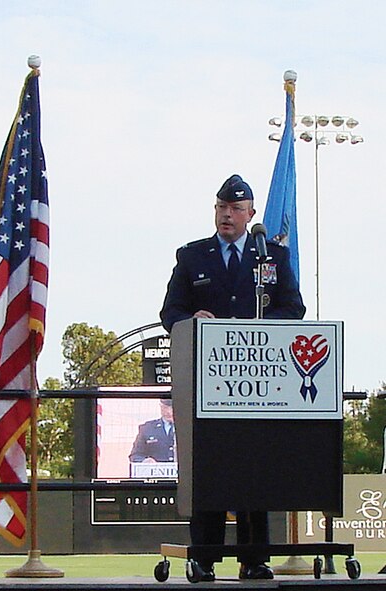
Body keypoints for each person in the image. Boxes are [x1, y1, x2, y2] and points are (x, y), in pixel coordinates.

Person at [160, 174, 306, 581]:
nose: (227, 214)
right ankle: (203, 556)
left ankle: (254, 557)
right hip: (208, 381)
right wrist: (192, 319)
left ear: (251, 214)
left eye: (236, 209)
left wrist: (259, 324)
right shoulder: (193, 257)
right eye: (221, 207)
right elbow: (170, 313)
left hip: (257, 382)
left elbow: (293, 310)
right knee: (209, 468)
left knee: (252, 467)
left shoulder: (271, 257)